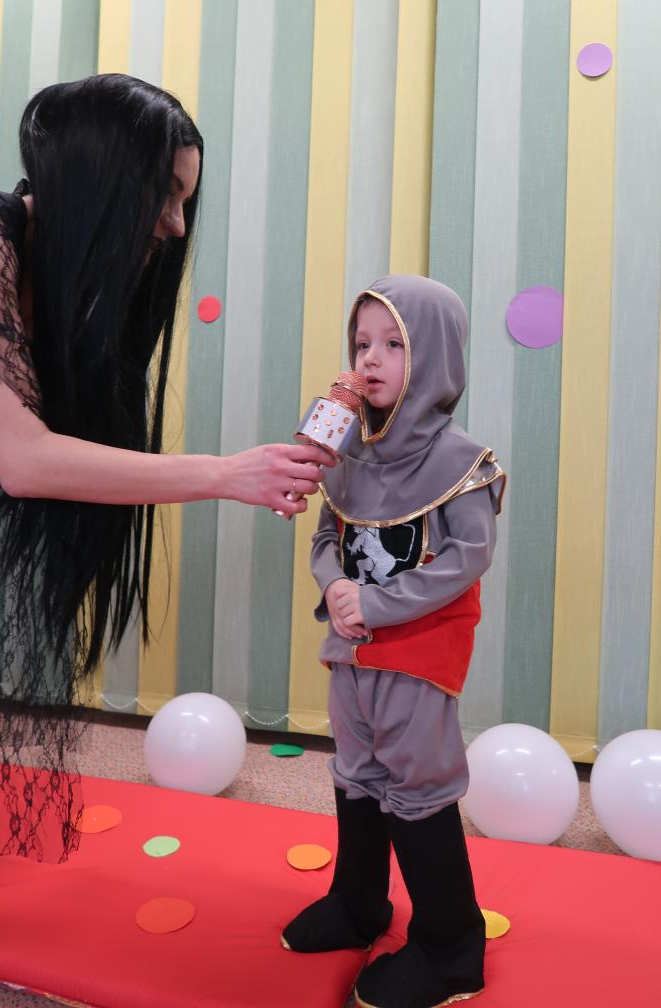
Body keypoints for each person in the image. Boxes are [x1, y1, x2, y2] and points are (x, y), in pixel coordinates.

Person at [0, 74, 332, 862]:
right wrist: (227, 474)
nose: (175, 226)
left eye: (184, 202)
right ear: (99, 175)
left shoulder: (57, 279)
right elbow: (22, 459)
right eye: (165, 194)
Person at [281, 275, 506, 1008]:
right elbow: (328, 537)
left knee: (418, 784)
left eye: (392, 344)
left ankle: (450, 947)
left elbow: (466, 557)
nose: (369, 359)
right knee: (357, 772)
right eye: (361, 343)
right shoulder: (347, 451)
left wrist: (376, 600)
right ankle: (358, 903)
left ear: (434, 355)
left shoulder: (460, 461)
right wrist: (334, 588)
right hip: (351, 650)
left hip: (418, 656)